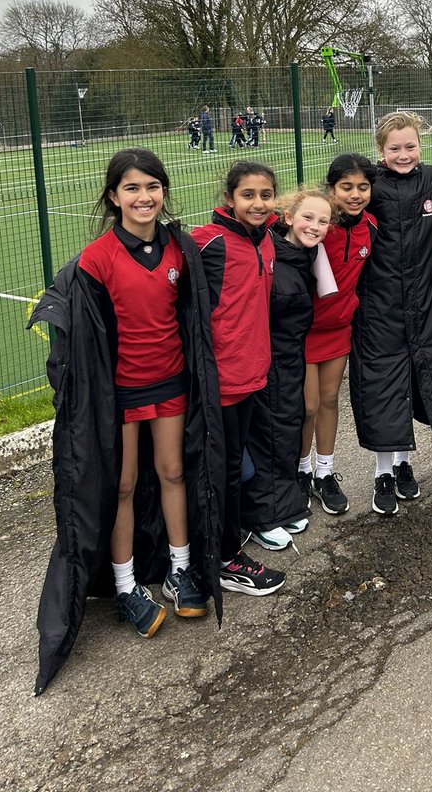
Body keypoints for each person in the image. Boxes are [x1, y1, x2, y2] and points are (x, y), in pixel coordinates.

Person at [29, 148, 225, 694]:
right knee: (120, 485)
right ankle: (125, 586)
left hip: (171, 384)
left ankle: (181, 570)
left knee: (174, 473)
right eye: (132, 188)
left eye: (153, 187)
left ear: (164, 192)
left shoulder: (179, 248)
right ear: (113, 197)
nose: (144, 197)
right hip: (116, 395)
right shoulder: (95, 259)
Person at [349, 111, 432, 514]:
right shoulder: (370, 185)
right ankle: (382, 471)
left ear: (421, 145)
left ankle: (404, 465)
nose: (403, 154)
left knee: (425, 378)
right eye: (394, 148)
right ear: (380, 150)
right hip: (379, 305)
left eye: (410, 146)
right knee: (384, 385)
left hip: (427, 301)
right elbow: (335, 204)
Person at [190, 161, 286, 596]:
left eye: (266, 195)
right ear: (229, 198)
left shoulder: (267, 239)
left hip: (253, 375)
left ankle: (224, 541)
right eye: (248, 195)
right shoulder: (207, 243)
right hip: (219, 384)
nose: (258, 203)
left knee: (236, 468)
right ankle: (224, 559)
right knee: (223, 472)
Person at [241, 187, 335, 549]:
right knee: (265, 435)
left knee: (287, 428)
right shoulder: (269, 253)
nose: (314, 226)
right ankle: (262, 515)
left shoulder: (305, 257)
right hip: (264, 361)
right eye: (308, 217)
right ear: (288, 217)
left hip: (290, 359)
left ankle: (283, 504)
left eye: (323, 221)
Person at [300, 153, 378, 515]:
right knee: (307, 406)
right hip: (302, 333)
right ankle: (300, 472)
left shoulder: (371, 227)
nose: (355, 194)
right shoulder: (317, 225)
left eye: (363, 187)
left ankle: (325, 473)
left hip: (338, 330)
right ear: (331, 189)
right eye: (346, 187)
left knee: (329, 401)